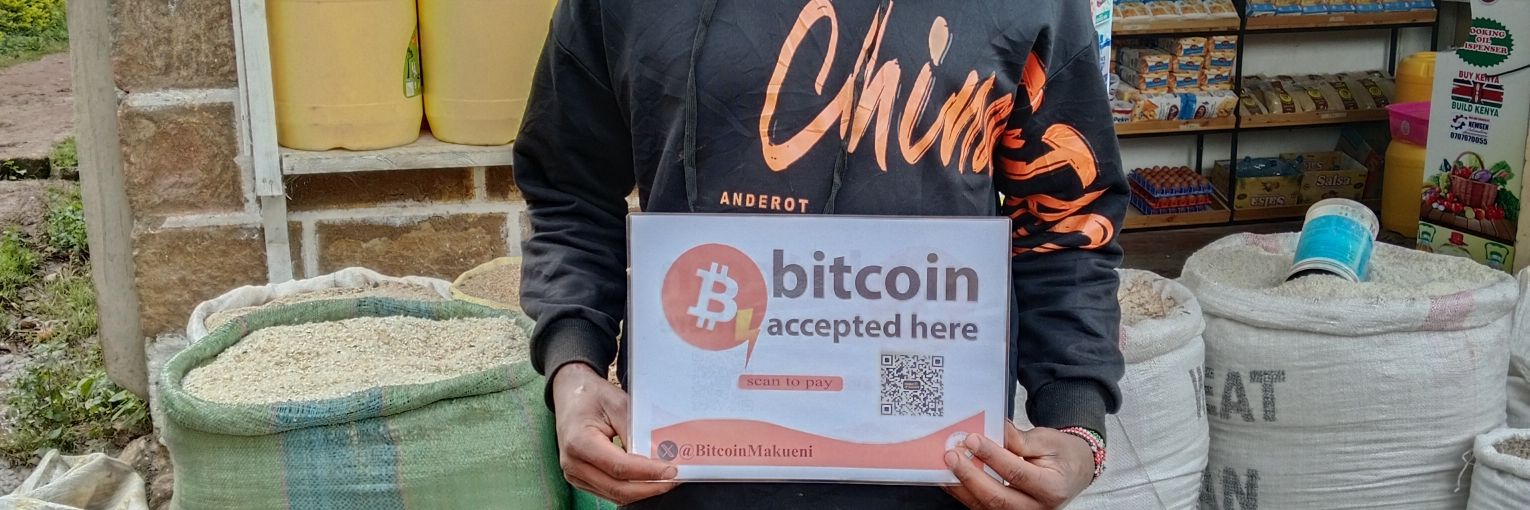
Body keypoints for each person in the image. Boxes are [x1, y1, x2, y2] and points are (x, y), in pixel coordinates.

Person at [513, 0, 1126, 508]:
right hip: (688, 470)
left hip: (941, 473)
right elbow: (571, 191)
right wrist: (575, 368)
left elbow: (1067, 220)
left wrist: (1077, 424)